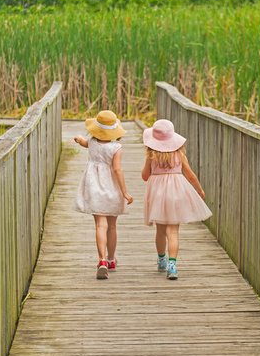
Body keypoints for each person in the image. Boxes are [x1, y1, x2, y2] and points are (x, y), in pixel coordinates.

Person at [142, 119, 211, 279]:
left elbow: (145, 176)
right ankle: (172, 265)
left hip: (158, 195)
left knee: (160, 230)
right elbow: (191, 175)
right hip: (176, 194)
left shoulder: (151, 156)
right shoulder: (179, 155)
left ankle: (161, 259)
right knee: (173, 232)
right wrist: (199, 189)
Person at [73, 110, 133, 279]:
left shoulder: (92, 142)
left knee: (100, 224)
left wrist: (78, 138)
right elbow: (118, 170)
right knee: (112, 226)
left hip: (93, 187)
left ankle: (102, 260)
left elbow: (85, 142)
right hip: (112, 188)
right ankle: (111, 259)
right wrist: (125, 192)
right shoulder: (116, 148)